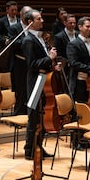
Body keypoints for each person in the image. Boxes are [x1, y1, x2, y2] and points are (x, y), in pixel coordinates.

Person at [21, 9, 59, 160]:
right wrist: (49, 58)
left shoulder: (39, 38)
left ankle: (38, 146)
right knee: (34, 117)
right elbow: (32, 64)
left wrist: (52, 66)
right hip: (35, 82)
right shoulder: (28, 40)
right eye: (39, 18)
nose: (42, 20)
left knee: (41, 116)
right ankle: (29, 149)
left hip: (42, 79)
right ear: (30, 22)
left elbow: (41, 62)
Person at [8, 5, 32, 115]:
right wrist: (26, 42)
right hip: (19, 63)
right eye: (27, 14)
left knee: (31, 90)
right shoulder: (15, 28)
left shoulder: (33, 27)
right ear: (21, 15)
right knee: (21, 91)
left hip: (31, 63)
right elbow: (13, 44)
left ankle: (30, 115)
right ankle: (18, 115)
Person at [66, 16, 90, 104]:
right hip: (79, 81)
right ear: (80, 27)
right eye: (87, 26)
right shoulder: (73, 44)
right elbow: (74, 63)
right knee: (80, 107)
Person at [0, 0, 20, 73]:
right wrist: (4, 41)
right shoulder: (2, 21)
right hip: (6, 50)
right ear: (7, 10)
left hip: (17, 50)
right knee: (6, 69)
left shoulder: (20, 21)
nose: (14, 12)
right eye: (12, 10)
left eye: (16, 10)